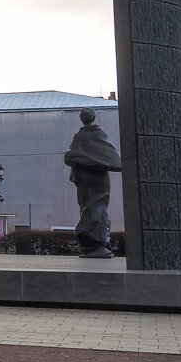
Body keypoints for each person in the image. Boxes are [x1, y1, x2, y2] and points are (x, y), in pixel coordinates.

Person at [63, 108, 122, 258]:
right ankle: (95, 244)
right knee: (91, 208)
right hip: (87, 179)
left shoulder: (84, 136)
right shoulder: (87, 135)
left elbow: (113, 159)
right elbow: (72, 159)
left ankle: (99, 243)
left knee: (95, 207)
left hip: (94, 178)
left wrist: (80, 159)